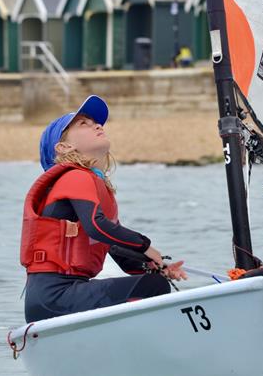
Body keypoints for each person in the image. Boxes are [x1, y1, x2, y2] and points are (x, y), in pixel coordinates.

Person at [20, 94, 186, 323]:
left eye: (96, 122)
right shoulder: (75, 176)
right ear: (64, 146)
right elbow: (98, 227)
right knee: (153, 288)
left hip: (57, 298)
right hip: (55, 297)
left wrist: (154, 266)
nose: (97, 125)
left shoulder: (89, 182)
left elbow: (117, 251)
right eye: (83, 124)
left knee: (154, 282)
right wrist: (147, 246)